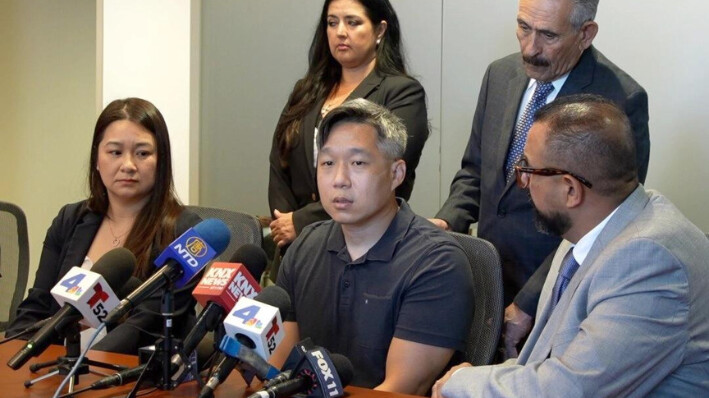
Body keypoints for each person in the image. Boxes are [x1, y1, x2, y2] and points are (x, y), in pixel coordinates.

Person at [431, 94, 709, 398]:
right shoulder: (592, 226)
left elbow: (570, 389)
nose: (521, 182)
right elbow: (541, 364)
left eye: (527, 169)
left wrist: (462, 381)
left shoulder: (649, 259)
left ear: (569, 190)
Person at [274, 99, 473, 395]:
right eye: (328, 163)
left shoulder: (438, 263)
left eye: (358, 163)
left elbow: (399, 389)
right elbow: (278, 371)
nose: (339, 180)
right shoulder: (305, 245)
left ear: (396, 174)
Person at [6, 98, 202, 354]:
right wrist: (14, 356)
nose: (128, 165)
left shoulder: (185, 233)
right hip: (55, 372)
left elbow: (145, 326)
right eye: (115, 152)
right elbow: (37, 305)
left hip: (130, 377)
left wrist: (86, 365)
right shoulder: (70, 219)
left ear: (161, 161)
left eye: (143, 153)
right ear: (97, 159)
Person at [269, 0, 429, 251]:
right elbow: (279, 164)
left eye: (353, 22)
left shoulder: (401, 93)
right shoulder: (307, 90)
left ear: (380, 30)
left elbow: (383, 174)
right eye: (332, 23)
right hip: (295, 246)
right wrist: (284, 221)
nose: (340, 31)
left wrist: (302, 222)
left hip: (369, 244)